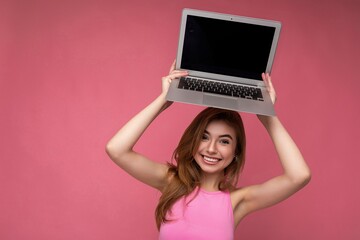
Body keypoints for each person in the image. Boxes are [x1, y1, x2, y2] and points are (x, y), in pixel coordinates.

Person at [105, 61, 311, 239]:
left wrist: (269, 117)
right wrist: (164, 100)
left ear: (236, 152)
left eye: (224, 141)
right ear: (193, 142)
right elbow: (116, 149)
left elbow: (299, 175)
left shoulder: (238, 201)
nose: (211, 149)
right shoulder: (170, 182)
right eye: (204, 137)